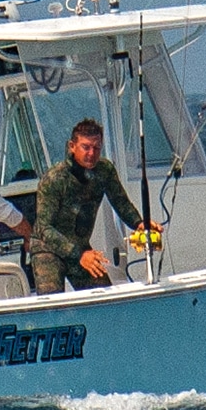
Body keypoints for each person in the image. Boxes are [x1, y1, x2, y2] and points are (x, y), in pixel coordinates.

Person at [31, 117, 160, 293]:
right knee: (51, 301)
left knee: (104, 295)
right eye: (85, 147)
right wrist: (79, 254)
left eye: (96, 148)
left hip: (81, 248)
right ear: (72, 146)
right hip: (49, 249)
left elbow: (120, 202)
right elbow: (45, 229)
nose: (91, 154)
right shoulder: (54, 179)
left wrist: (139, 223)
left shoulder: (104, 170)